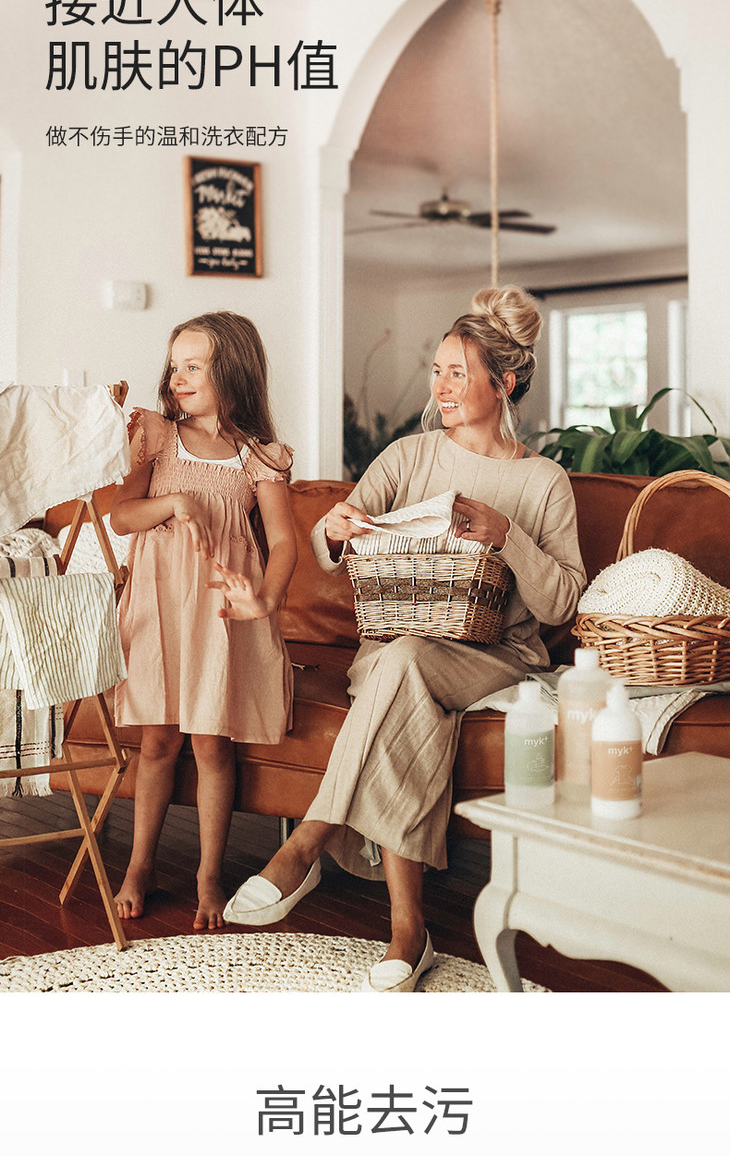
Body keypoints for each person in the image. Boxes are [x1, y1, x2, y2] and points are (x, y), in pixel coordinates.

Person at [221, 285, 586, 990]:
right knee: (406, 675)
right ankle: (407, 931)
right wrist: (336, 528)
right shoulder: (408, 457)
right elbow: (331, 538)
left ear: (505, 383)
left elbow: (564, 602)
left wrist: (506, 537)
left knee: (407, 664)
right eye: (437, 371)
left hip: (496, 655)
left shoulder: (544, 481)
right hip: (392, 649)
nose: (440, 386)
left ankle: (309, 840)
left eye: (458, 373)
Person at [111, 311, 297, 930]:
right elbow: (123, 516)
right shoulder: (158, 437)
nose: (178, 377)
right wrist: (172, 501)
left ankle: (208, 875)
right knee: (158, 741)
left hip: (219, 614)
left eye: (194, 366)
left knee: (214, 745)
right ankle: (140, 865)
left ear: (233, 372)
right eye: (175, 366)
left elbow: (284, 543)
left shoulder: (259, 456)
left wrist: (265, 599)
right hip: (160, 607)